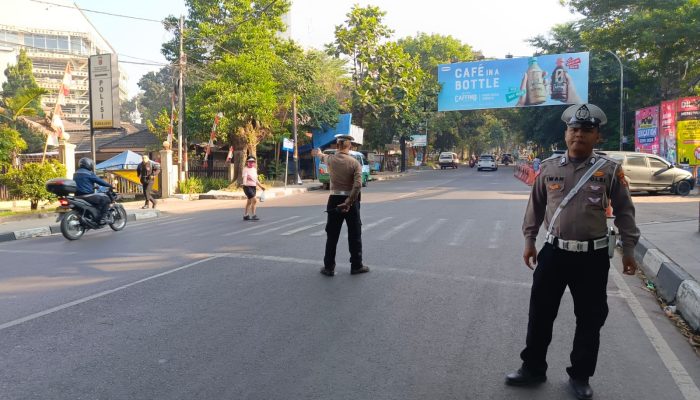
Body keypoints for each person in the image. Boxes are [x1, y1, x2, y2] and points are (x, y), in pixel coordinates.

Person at [506, 103, 640, 400]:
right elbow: (536, 206)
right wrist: (530, 241)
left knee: (590, 318)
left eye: (586, 131)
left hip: (592, 257)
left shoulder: (609, 171)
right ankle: (532, 368)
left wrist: (628, 249)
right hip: (554, 252)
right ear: (566, 134)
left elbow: (625, 212)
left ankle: (580, 376)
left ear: (597, 137)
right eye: (574, 129)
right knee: (540, 312)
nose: (578, 135)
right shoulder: (549, 169)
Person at [312, 135, 369, 276]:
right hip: (351, 201)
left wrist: (318, 152)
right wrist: (348, 202)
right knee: (354, 234)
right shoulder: (355, 163)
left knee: (332, 235)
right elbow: (357, 185)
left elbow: (321, 156)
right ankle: (356, 266)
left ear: (337, 146)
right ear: (349, 146)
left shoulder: (330, 160)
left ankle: (329, 267)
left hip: (334, 199)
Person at [73, 157, 114, 224]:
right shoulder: (89, 173)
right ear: (88, 164)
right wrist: (109, 185)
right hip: (87, 196)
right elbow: (99, 181)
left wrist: (92, 186)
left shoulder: (76, 173)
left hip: (77, 196)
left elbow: (82, 183)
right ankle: (102, 219)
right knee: (106, 199)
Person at [241, 156, 266, 221]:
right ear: (247, 162)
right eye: (250, 162)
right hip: (247, 187)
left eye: (253, 162)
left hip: (253, 187)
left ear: (254, 163)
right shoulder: (245, 169)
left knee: (249, 202)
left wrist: (261, 186)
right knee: (254, 200)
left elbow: (256, 180)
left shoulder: (254, 170)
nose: (251, 163)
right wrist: (244, 183)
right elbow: (245, 177)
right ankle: (254, 215)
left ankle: (246, 215)